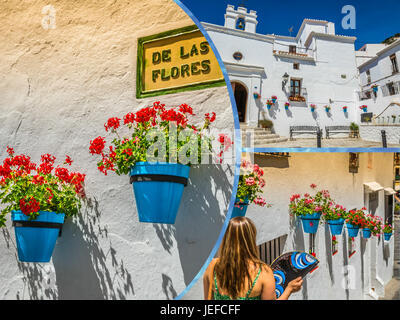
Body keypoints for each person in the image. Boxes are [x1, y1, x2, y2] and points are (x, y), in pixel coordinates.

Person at [203, 216, 303, 300]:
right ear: (251, 239)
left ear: (226, 238)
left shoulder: (212, 266)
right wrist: (289, 289)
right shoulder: (263, 272)